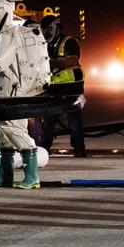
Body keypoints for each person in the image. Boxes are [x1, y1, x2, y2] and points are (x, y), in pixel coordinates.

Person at [0, 0, 50, 189]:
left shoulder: (8, 35)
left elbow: (1, 62)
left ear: (1, 15)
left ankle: (32, 176)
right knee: (3, 130)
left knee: (13, 128)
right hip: (7, 89)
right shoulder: (4, 34)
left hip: (14, 90)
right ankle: (4, 175)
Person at [37, 15, 86, 157]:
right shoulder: (47, 43)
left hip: (71, 86)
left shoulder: (69, 41)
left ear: (55, 27)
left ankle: (79, 149)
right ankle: (44, 150)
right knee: (48, 120)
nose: (46, 32)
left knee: (74, 120)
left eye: (48, 29)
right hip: (54, 87)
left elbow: (71, 60)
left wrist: (48, 62)